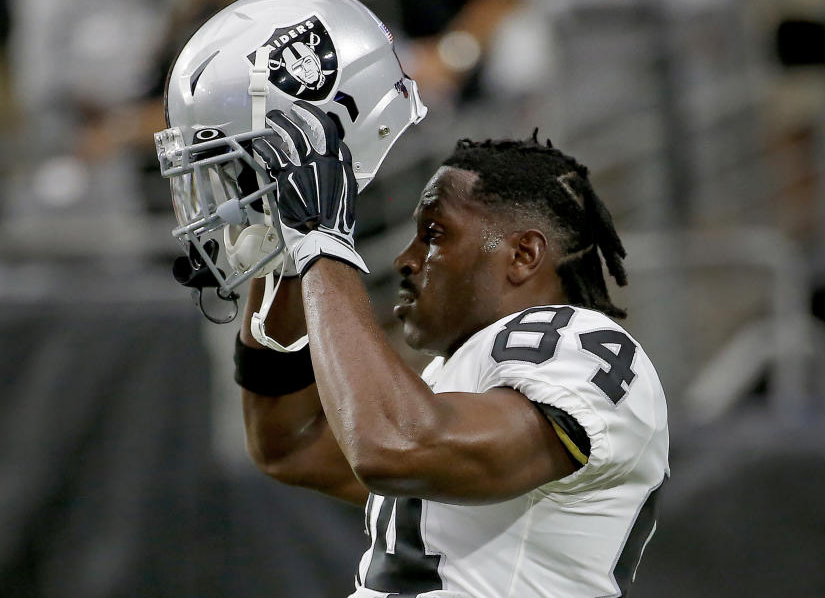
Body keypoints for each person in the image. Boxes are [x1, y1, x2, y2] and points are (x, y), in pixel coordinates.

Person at [234, 108, 670, 596]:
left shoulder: (578, 344)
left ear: (523, 254)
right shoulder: (455, 380)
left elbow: (395, 446)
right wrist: (284, 254)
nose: (405, 259)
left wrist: (322, 239)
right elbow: (290, 445)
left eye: (435, 234)